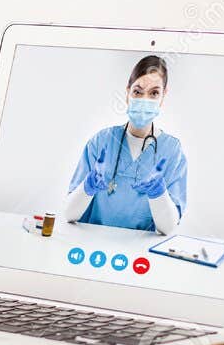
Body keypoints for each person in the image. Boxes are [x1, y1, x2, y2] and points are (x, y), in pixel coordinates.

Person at [61, 55, 187, 234]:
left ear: (163, 96)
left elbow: (168, 228)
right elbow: (69, 214)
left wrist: (159, 194)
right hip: (93, 246)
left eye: (154, 93)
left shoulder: (171, 150)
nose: (145, 100)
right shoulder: (102, 142)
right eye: (137, 91)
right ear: (127, 93)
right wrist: (87, 187)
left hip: (139, 254)